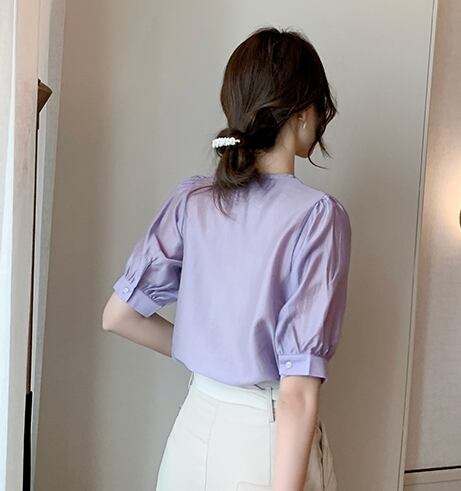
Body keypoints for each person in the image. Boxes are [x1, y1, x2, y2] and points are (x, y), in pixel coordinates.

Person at [102, 26, 351, 491]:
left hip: (190, 434)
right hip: (263, 444)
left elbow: (117, 316)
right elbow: (297, 394)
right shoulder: (317, 216)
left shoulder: (192, 200)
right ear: (302, 113)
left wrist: (206, 351)